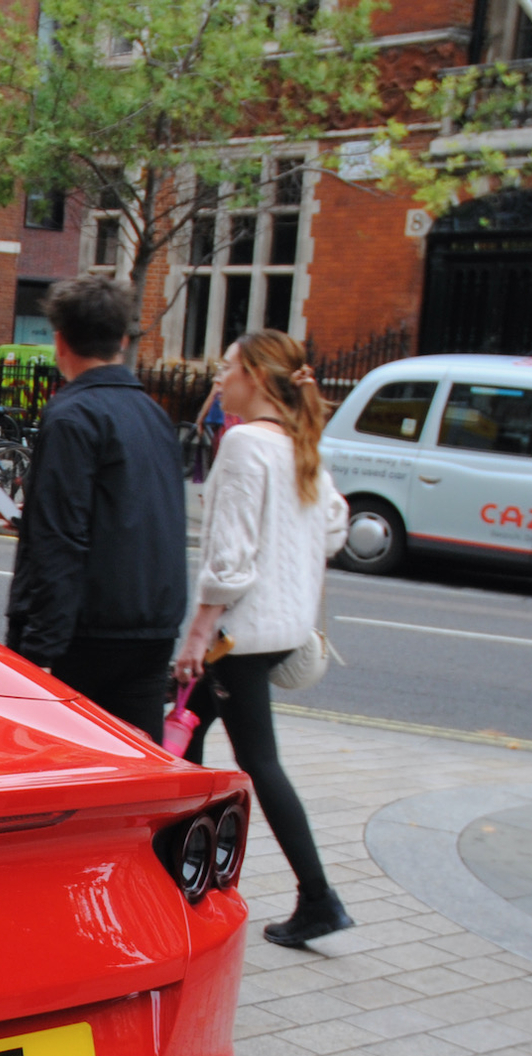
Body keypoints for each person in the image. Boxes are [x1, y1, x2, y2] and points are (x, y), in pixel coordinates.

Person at [173, 328, 352, 947]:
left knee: (254, 761)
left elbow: (229, 555)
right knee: (179, 739)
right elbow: (333, 529)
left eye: (228, 369)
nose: (219, 382)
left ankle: (316, 897)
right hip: (282, 630)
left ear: (255, 376)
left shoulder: (246, 442)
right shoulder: (300, 442)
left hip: (237, 639)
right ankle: (185, 873)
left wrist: (197, 634)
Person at [3, 276, 190, 742]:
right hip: (150, 626)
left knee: (59, 770)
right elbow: (142, 514)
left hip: (83, 633)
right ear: (123, 341)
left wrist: (38, 652)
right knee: (133, 767)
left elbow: (60, 538)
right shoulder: (153, 414)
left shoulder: (71, 417)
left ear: (59, 340)